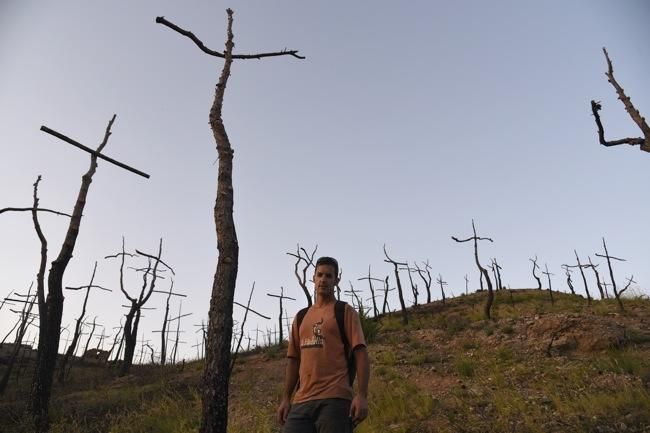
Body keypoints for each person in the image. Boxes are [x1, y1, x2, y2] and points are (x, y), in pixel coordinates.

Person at [276, 256, 370, 432]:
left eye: (328, 276)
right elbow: (294, 361)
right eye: (319, 275)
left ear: (336, 280)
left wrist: (362, 396)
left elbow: (361, 354)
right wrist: (286, 398)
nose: (323, 280)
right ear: (313, 278)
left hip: (335, 400)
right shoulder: (301, 317)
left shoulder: (344, 311)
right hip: (301, 402)